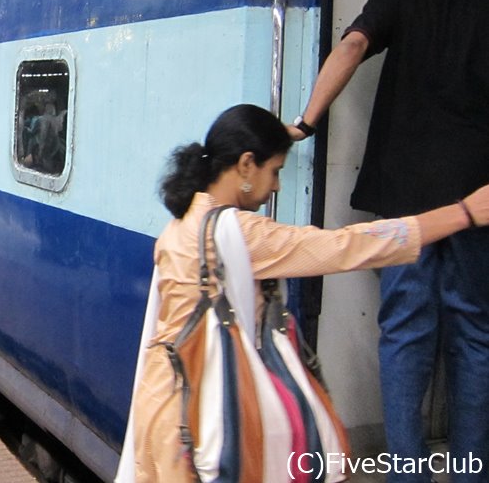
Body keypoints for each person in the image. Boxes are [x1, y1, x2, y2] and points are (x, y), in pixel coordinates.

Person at [125, 104, 489, 483]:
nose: (277, 185)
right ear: (246, 165)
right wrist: (462, 214)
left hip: (163, 402)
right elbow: (346, 246)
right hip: (202, 415)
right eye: (275, 171)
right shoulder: (239, 233)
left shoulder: (183, 221)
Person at [286, 0, 489, 481]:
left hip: (405, 202)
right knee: (475, 335)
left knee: (404, 333)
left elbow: (350, 48)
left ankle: (406, 471)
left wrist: (304, 122)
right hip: (479, 203)